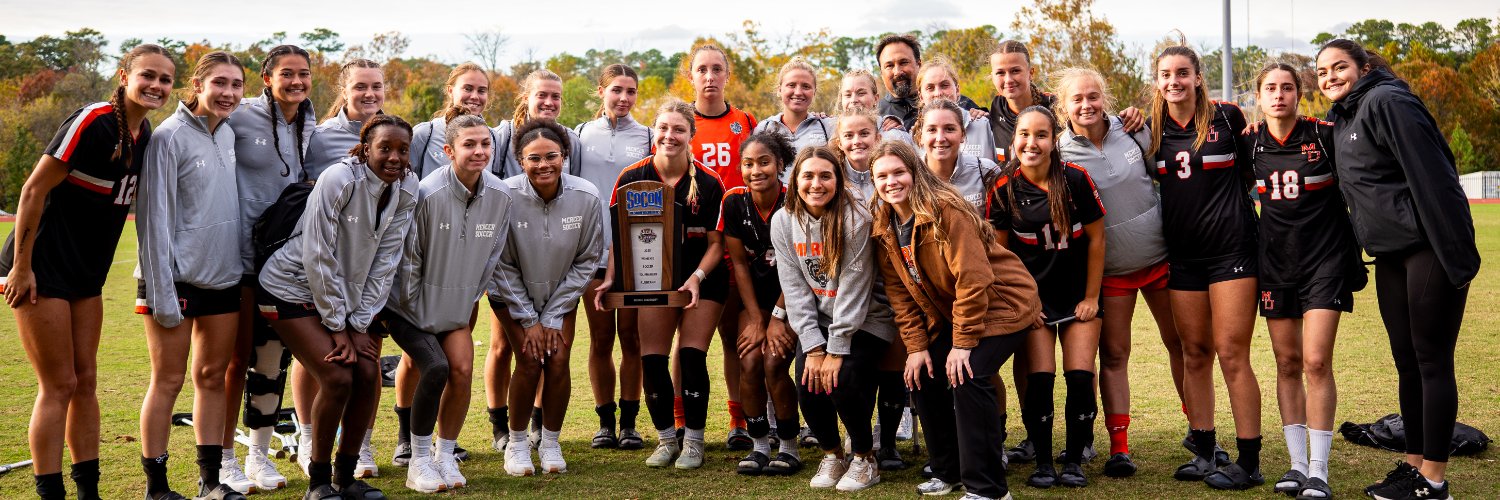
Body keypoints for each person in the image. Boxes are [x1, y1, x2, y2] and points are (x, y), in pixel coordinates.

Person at [1, 43, 173, 500]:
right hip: (42, 267)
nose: (156, 85)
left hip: (87, 275)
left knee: (87, 382)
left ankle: (89, 492)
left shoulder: (144, 134)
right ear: (124, 75)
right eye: (148, 76)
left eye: (165, 79)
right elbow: (33, 190)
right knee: (59, 384)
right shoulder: (93, 121)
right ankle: (49, 492)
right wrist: (21, 267)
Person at [1317, 39, 1479, 500]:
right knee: (1406, 362)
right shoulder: (1343, 114)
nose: (1330, 77)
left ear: (1364, 66)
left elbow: (1437, 176)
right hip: (1390, 254)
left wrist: (1457, 254)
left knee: (1431, 360)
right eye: (1323, 71)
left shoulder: (1388, 100)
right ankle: (1414, 465)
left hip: (1428, 249)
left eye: (1339, 67)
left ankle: (1434, 480)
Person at [257, 114, 418, 500]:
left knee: (367, 374)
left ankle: (346, 479)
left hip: (341, 299)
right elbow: (318, 255)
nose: (394, 157)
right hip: (290, 287)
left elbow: (385, 261)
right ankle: (317, 481)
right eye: (384, 148)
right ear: (365, 150)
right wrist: (339, 327)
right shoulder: (340, 178)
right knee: (337, 377)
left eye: (402, 149)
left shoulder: (406, 186)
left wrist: (360, 324)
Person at [869, 140, 1039, 499]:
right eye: (881, 176)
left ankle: (989, 489)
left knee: (969, 375)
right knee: (923, 372)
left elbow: (973, 279)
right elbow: (901, 295)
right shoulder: (883, 224)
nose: (891, 182)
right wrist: (916, 348)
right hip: (957, 311)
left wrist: (962, 344)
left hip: (1004, 303)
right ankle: (948, 470)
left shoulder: (945, 209)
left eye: (898, 172)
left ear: (915, 173)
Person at [1053, 66, 1187, 478]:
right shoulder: (1059, 152)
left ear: (1104, 99)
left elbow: (1163, 177)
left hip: (1160, 260)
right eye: (1076, 98)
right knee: (1114, 356)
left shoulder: (1133, 130)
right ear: (1064, 107)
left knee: (1183, 345)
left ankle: (1201, 435)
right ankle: (1119, 447)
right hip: (1111, 271)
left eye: (1093, 96)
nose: (1086, 104)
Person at [1246, 62, 1366, 499]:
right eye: (1270, 89)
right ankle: (1296, 465)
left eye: (1287, 88)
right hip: (1276, 264)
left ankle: (1319, 469)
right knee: (1286, 363)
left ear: (1300, 93)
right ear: (1258, 96)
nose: (1279, 95)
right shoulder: (1250, 144)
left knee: (1316, 361)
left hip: (1325, 262)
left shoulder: (1323, 134)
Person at [1148, 44, 1264, 490]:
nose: (1174, 81)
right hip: (1184, 257)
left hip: (1232, 252)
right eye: (1165, 74)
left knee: (1233, 354)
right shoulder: (1149, 128)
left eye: (1182, 72)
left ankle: (1249, 460)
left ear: (1198, 76)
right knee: (1194, 353)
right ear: (1157, 81)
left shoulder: (1229, 117)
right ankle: (1203, 449)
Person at [134, 51, 248, 500]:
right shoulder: (169, 137)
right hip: (173, 283)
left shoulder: (230, 134)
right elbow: (152, 221)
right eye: (220, 83)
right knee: (167, 380)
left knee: (212, 377)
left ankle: (209, 482)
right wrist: (162, 293)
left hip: (222, 278)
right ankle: (156, 488)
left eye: (237, 85)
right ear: (197, 86)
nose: (229, 93)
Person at [384, 107, 512, 493]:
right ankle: (417, 458)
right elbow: (408, 259)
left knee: (460, 368)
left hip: (457, 308)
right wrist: (419, 312)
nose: (479, 151)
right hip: (409, 309)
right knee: (427, 365)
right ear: (447, 150)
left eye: (485, 143)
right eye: (468, 144)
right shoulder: (427, 193)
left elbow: (492, 254)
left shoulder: (501, 195)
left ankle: (444, 453)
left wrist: (468, 299)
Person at [986, 106, 1106, 489]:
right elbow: (1000, 258)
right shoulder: (1003, 188)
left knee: (1079, 376)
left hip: (1076, 297)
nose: (1031, 143)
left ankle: (1073, 460)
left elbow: (1099, 239)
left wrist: (1090, 298)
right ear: (1014, 139)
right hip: (1034, 302)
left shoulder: (1076, 179)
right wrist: (1024, 305)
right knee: (1039, 380)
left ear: (1054, 140)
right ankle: (1042, 463)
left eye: (1040, 135)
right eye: (1024, 134)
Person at [226, 44, 326, 485]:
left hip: (285, 260)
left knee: (272, 362)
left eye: (303, 74)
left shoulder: (310, 122)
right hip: (238, 257)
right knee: (233, 362)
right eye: (287, 74)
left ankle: (258, 455)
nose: (297, 82)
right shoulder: (240, 114)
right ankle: (223, 456)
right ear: (266, 78)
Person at [609, 100, 728, 470]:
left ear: (691, 134)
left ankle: (693, 441)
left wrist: (696, 278)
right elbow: (619, 238)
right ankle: (665, 439)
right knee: (654, 358)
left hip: (702, 280)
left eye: (678, 129)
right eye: (663, 128)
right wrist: (613, 279)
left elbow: (716, 245)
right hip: (653, 281)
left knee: (692, 357)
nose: (669, 136)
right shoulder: (632, 176)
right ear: (653, 132)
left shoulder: (708, 182)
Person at [771, 146, 895, 492]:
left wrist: (836, 349)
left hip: (867, 318)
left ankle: (864, 457)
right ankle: (832, 453)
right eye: (807, 176)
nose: (816, 183)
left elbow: (855, 289)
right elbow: (794, 289)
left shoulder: (855, 220)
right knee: (808, 385)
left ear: (838, 181)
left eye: (825, 175)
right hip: (820, 321)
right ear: (795, 181)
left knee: (841, 379)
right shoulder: (783, 222)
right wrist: (812, 346)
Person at [494, 119, 607, 476]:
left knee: (557, 360)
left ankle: (551, 441)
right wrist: (529, 319)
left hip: (560, 296)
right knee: (528, 360)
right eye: (534, 159)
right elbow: (499, 261)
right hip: (512, 297)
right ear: (520, 160)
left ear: (564, 155)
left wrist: (552, 316)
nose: (544, 165)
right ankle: (516, 443)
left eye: (551, 156)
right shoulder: (503, 196)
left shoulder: (586, 195)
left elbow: (588, 258)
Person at [486, 69, 585, 448]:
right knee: (506, 347)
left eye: (556, 97)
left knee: (552, 349)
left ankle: (544, 427)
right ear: (525, 96)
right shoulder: (500, 136)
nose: (549, 103)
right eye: (542, 95)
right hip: (509, 258)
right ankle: (501, 425)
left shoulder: (571, 139)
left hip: (554, 260)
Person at [575, 64, 652, 451]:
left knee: (633, 339)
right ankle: (604, 422)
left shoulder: (648, 135)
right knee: (601, 339)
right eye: (617, 90)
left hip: (637, 253)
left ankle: (630, 423)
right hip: (592, 253)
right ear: (602, 90)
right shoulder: (580, 135)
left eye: (631, 91)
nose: (624, 98)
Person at [684, 43, 757, 448]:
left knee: (733, 337)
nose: (710, 76)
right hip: (696, 246)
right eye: (702, 70)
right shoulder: (679, 122)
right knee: (688, 342)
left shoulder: (745, 121)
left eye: (717, 69)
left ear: (727, 75)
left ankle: (738, 421)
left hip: (739, 241)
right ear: (691, 76)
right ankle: (680, 420)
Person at [832, 107, 913, 469]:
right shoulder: (834, 179)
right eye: (848, 136)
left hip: (894, 280)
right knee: (857, 366)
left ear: (877, 136)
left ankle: (891, 438)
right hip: (851, 286)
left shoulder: (891, 173)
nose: (857, 141)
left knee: (894, 363)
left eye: (864, 134)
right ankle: (861, 436)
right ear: (839, 141)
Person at [721, 132, 802, 476]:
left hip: (794, 300)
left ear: (780, 165)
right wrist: (756, 318)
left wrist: (778, 318)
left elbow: (797, 266)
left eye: (764, 162)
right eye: (748, 163)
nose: (756, 170)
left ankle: (789, 446)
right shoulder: (734, 201)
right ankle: (758, 445)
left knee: (773, 364)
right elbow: (739, 263)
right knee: (750, 362)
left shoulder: (796, 200)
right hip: (754, 303)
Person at [753, 56, 835, 182]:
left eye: (806, 87)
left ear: (814, 92)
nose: (798, 92)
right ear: (779, 90)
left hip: (815, 198)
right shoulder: (764, 128)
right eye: (791, 85)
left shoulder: (827, 126)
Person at [874, 34, 980, 130]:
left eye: (904, 62)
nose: (897, 71)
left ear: (919, 64)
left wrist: (981, 114)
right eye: (889, 66)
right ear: (881, 72)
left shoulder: (959, 103)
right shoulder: (875, 114)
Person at [305, 59, 384, 180]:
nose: (369, 94)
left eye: (376, 87)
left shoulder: (398, 134)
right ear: (344, 93)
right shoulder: (319, 138)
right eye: (360, 87)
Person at [914, 99, 999, 210]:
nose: (940, 138)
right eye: (932, 130)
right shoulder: (910, 177)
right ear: (920, 136)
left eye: (949, 129)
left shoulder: (986, 171)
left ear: (963, 134)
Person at [915, 58, 996, 163]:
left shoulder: (983, 125)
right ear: (921, 96)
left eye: (944, 85)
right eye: (930, 88)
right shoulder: (914, 136)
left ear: (957, 90)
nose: (938, 93)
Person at [838, 68, 913, 145]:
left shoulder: (895, 137)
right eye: (848, 95)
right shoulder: (831, 133)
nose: (853, 100)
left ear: (876, 99)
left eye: (861, 93)